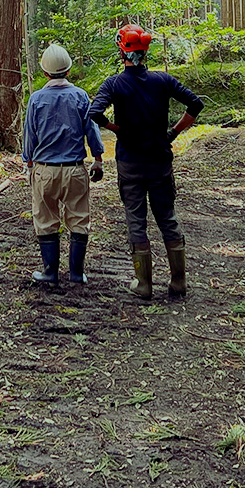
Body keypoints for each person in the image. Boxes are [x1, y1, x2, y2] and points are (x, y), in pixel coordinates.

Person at [89, 25, 203, 301]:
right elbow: (195, 104)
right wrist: (173, 133)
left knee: (136, 221)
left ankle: (144, 285)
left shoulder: (114, 83)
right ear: (145, 51)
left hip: (130, 164)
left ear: (122, 51)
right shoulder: (162, 80)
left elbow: (94, 113)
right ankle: (178, 282)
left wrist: (118, 130)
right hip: (160, 161)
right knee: (167, 217)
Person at [22, 43, 105, 286]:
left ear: (45, 73)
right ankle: (77, 274)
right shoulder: (80, 96)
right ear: (68, 70)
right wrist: (98, 159)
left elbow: (30, 136)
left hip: (45, 170)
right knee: (79, 219)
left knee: (46, 220)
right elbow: (92, 130)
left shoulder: (36, 99)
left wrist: (28, 164)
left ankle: (50, 273)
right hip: (75, 169)